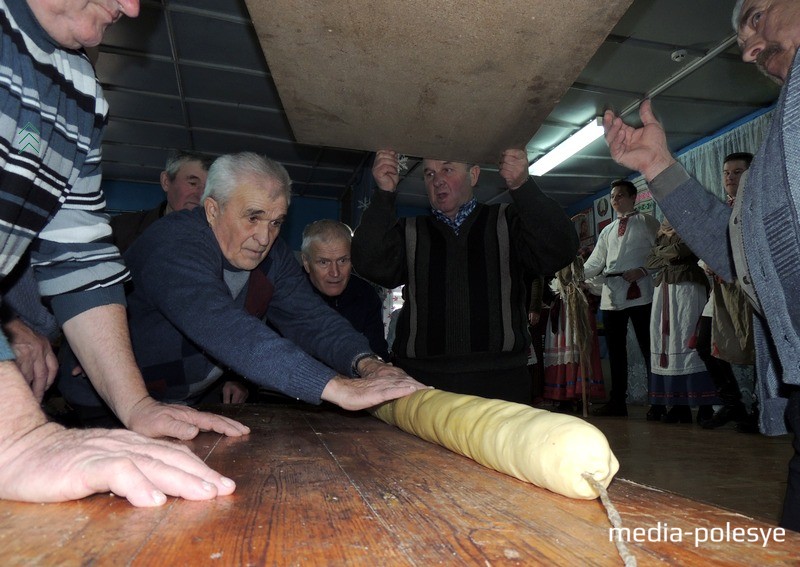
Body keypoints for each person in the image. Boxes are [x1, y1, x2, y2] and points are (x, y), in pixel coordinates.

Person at [0, 0, 246, 507]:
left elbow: (80, 262)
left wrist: (136, 406)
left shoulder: (84, 93)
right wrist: (15, 437)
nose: (133, 8)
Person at [602, 0, 800, 531]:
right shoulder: (786, 121)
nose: (749, 48)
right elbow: (742, 255)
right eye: (741, 38)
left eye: (756, 16)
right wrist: (657, 166)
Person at [62, 152, 427, 414]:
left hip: (182, 404)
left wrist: (367, 364)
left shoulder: (273, 258)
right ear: (212, 210)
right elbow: (223, 325)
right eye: (253, 217)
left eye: (275, 222)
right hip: (102, 400)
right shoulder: (174, 243)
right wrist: (335, 388)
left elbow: (312, 319)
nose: (264, 236)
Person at [351, 149, 578, 404]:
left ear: (474, 175)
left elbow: (561, 250)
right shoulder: (410, 231)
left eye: (447, 169)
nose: (437, 180)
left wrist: (523, 186)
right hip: (423, 384)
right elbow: (367, 262)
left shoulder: (507, 221)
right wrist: (383, 194)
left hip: (501, 383)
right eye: (429, 173)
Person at [582, 180, 661, 416]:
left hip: (639, 292)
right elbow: (595, 262)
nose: (615, 200)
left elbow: (661, 253)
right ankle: (617, 402)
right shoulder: (607, 230)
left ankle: (657, 402)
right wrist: (574, 274)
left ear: (633, 197)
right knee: (616, 351)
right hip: (612, 294)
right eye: (612, 197)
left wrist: (644, 270)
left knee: (648, 347)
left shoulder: (647, 223)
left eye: (619, 196)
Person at [698, 152, 757, 431]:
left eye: (737, 172)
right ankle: (733, 404)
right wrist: (707, 263)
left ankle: (758, 409)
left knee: (758, 348)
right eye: (726, 173)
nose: (730, 178)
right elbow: (706, 246)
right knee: (704, 344)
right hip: (721, 291)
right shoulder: (721, 209)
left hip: (750, 291)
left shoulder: (757, 208)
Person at [645, 219, 717, 424]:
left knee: (690, 340)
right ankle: (679, 405)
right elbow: (649, 261)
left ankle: (705, 406)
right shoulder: (660, 235)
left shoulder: (691, 227)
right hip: (665, 290)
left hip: (688, 289)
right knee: (668, 343)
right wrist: (668, 253)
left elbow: (681, 251)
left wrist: (661, 253)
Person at [301, 219, 390, 360]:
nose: (335, 273)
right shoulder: (288, 294)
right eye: (324, 262)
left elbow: (378, 352)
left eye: (343, 260)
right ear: (306, 262)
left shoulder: (366, 295)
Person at [111, 150, 215, 253]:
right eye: (192, 183)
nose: (200, 195)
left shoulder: (216, 241)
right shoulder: (120, 230)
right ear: (166, 182)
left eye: (207, 189)